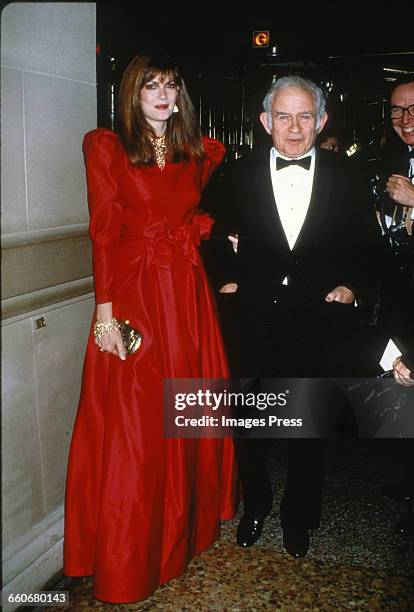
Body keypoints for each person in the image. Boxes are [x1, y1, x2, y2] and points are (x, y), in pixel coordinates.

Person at [63, 53, 237, 603]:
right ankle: (126, 557)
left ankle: (178, 538)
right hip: (136, 295)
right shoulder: (108, 149)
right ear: (132, 95)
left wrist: (224, 239)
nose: (162, 95)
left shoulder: (198, 153)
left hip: (185, 296)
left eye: (170, 86)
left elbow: (203, 214)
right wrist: (105, 311)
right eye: (150, 87)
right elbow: (104, 233)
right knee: (137, 427)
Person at [208, 75, 380, 558]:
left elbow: (368, 247)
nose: (295, 127)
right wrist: (226, 277)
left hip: (318, 318)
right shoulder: (237, 173)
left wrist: (353, 287)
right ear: (265, 122)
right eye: (283, 115)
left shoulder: (346, 174)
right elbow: (212, 233)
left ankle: (299, 517)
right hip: (253, 317)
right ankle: (256, 504)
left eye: (306, 115)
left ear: (321, 120)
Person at [377, 77, 414, 536]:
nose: (404, 120)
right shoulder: (391, 158)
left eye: (413, 109)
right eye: (396, 110)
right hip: (401, 295)